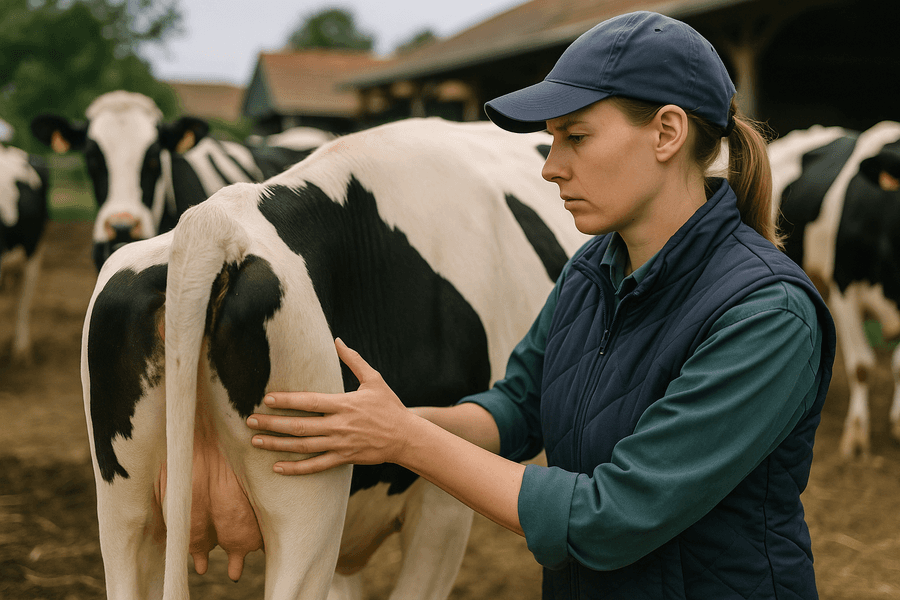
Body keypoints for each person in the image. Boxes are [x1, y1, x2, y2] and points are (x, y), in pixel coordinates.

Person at [246, 10, 836, 600]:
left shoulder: (766, 315)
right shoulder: (591, 270)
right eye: (552, 140)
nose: (552, 168)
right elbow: (517, 409)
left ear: (667, 132)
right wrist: (378, 426)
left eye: (576, 137)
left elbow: (612, 519)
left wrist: (406, 441)